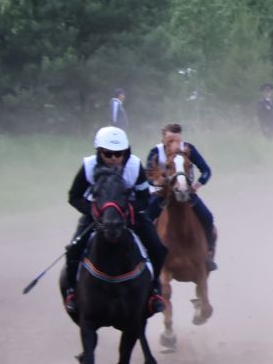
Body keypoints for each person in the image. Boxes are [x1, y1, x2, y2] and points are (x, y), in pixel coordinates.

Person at [59, 126, 167, 322]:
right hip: (98, 217)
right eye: (108, 153)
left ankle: (154, 291)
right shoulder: (88, 166)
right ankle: (72, 293)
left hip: (130, 216)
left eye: (119, 153)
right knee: (73, 249)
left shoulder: (134, 166)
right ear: (99, 151)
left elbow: (143, 198)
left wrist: (126, 211)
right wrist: (94, 211)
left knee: (159, 249)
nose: (114, 158)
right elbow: (74, 196)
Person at [144, 123, 218, 269]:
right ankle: (146, 255)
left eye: (177, 140)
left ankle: (208, 254)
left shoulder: (188, 149)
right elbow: (147, 177)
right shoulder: (156, 151)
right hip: (162, 194)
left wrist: (197, 185)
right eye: (170, 141)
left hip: (186, 192)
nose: (175, 144)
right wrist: (158, 181)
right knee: (145, 219)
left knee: (208, 217)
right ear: (164, 139)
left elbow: (206, 171)